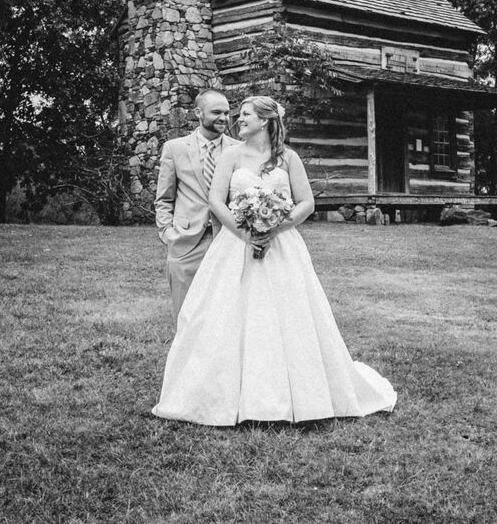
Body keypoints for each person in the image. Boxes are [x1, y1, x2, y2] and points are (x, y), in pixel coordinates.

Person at [154, 95, 396, 426]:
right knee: (223, 316)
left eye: (245, 115)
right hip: (235, 245)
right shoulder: (230, 155)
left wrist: (276, 226)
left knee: (287, 319)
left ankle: (293, 396)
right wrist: (244, 233)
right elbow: (215, 201)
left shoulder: (288, 158)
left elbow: (306, 203)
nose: (239, 120)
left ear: (265, 121)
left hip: (282, 247)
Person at [154, 88, 241, 322]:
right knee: (185, 315)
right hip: (186, 241)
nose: (224, 118)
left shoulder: (238, 149)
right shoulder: (175, 148)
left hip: (228, 240)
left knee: (225, 315)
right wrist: (167, 233)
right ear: (198, 113)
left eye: (226, 112)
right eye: (216, 112)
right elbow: (164, 198)